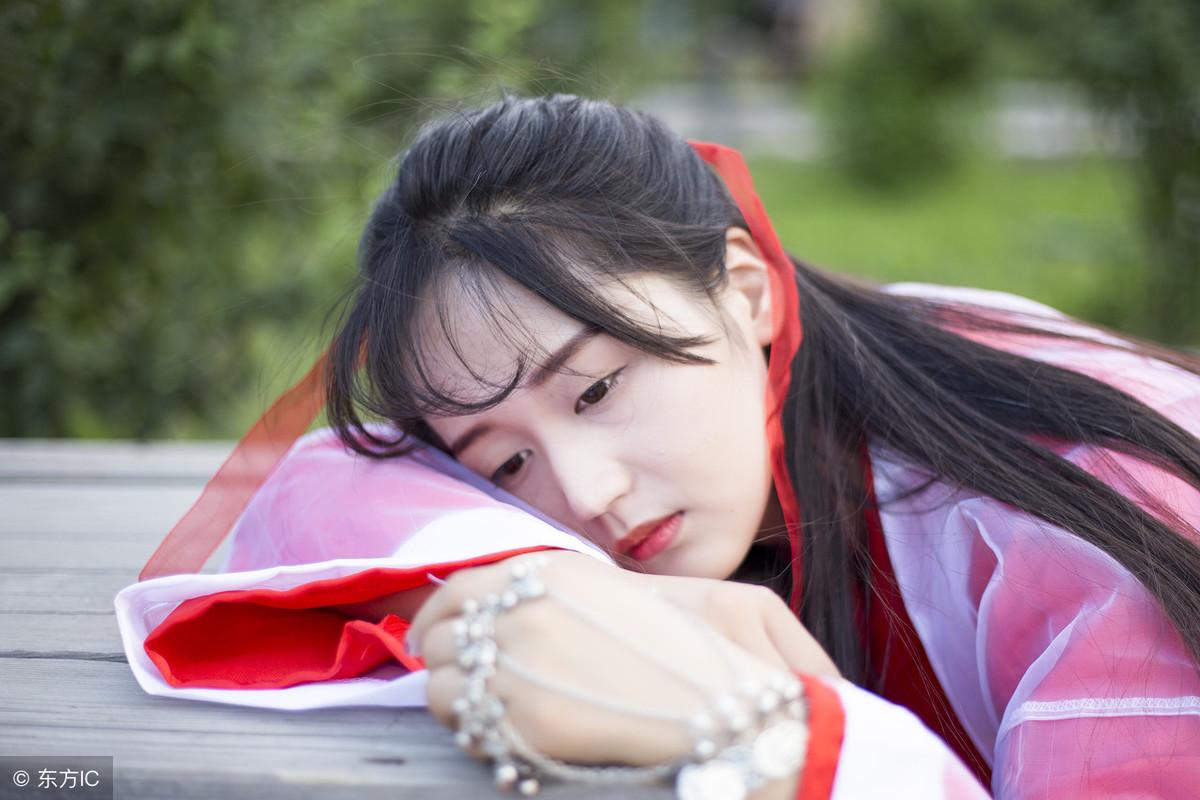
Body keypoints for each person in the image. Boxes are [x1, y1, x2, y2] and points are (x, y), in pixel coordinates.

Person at [314, 93, 1200, 797]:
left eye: (597, 390)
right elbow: (314, 488)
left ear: (746, 293)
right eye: (505, 464)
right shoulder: (819, 394)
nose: (585, 495)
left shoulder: (1072, 525)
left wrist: (774, 743)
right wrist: (548, 586)